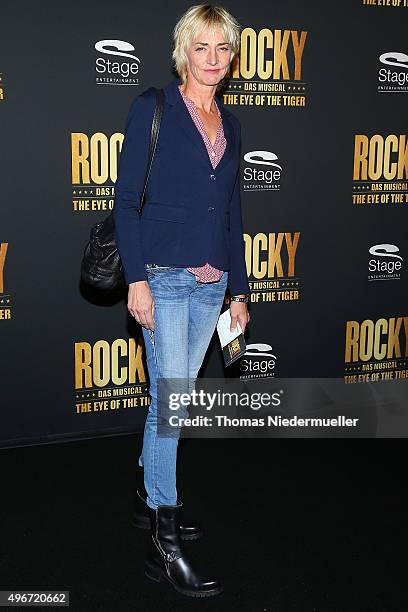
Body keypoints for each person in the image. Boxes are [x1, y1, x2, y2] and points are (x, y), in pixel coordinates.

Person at [113, 4, 250, 598]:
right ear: (183, 51)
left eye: (224, 48)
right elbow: (124, 202)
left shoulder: (231, 120)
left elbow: (235, 210)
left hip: (212, 281)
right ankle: (162, 548)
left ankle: (150, 504)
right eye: (203, 47)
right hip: (163, 277)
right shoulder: (154, 108)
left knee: (173, 399)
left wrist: (239, 290)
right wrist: (136, 279)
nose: (214, 59)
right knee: (172, 406)